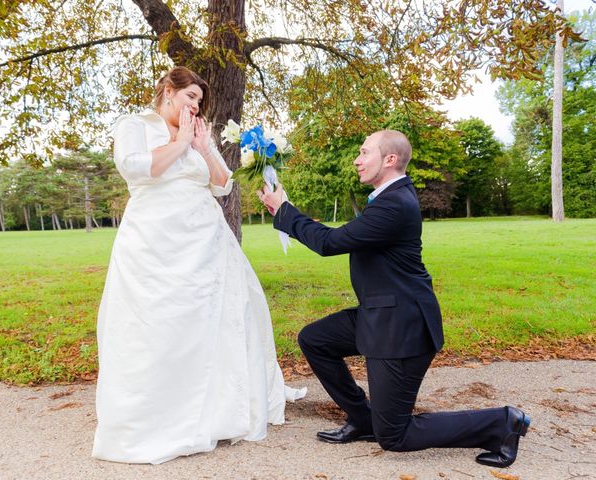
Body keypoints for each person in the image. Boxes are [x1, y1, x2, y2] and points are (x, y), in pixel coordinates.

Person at [258, 129, 530, 469]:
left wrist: (284, 210)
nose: (357, 159)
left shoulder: (395, 204)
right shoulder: (388, 199)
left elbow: (330, 243)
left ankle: (502, 423)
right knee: (315, 339)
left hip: (403, 327)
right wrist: (289, 213)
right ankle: (362, 418)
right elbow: (340, 238)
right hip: (380, 313)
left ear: (389, 160)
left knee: (395, 436)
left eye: (364, 152)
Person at [92, 66, 304, 464]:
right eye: (190, 97)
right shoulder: (135, 125)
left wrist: (204, 147)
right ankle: (156, 415)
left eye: (199, 101)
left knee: (220, 317)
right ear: (168, 91)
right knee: (157, 321)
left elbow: (222, 184)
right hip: (154, 240)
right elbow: (136, 167)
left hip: (206, 239)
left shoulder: (197, 137)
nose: (195, 106)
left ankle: (221, 411)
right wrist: (182, 141)